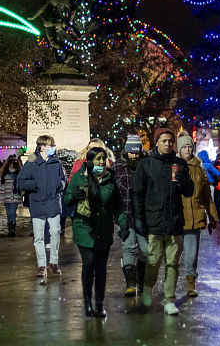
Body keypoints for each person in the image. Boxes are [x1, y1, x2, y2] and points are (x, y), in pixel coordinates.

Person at [131, 128, 194, 315]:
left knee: (172, 263)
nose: (167, 144)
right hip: (154, 222)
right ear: (156, 142)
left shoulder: (179, 164)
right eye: (164, 141)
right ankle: (148, 287)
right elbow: (137, 193)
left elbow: (188, 192)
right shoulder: (146, 165)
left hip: (174, 222)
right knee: (153, 261)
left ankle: (169, 299)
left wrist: (185, 181)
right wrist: (139, 219)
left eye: (170, 141)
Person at [65, 147, 128, 317]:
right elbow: (67, 200)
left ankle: (99, 303)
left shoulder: (110, 180)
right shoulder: (79, 177)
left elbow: (118, 207)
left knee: (101, 268)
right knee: (89, 262)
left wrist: (123, 226)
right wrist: (73, 196)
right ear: (89, 160)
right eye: (98, 159)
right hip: (84, 227)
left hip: (104, 230)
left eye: (103, 158)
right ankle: (87, 302)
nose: (101, 162)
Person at [176, 132, 218, 297]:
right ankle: (170, 286)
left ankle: (190, 283)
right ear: (179, 149)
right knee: (173, 255)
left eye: (189, 146)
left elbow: (207, 195)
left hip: (195, 216)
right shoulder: (174, 167)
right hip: (177, 218)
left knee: (191, 255)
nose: (187, 149)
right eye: (184, 147)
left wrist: (213, 216)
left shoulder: (200, 169)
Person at [18, 135, 66, 278]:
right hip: (37, 202)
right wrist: (35, 185)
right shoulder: (31, 163)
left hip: (53, 202)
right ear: (42, 146)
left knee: (55, 233)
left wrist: (60, 185)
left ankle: (54, 262)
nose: (54, 147)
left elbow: (63, 180)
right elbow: (21, 181)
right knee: (39, 236)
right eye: (51, 145)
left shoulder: (56, 163)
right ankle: (41, 265)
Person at [112, 134, 148, 297]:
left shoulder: (147, 165)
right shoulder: (117, 167)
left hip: (144, 217)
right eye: (131, 152)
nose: (134, 155)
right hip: (125, 215)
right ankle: (130, 283)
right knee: (128, 249)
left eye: (137, 152)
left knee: (146, 251)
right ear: (126, 151)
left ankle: (140, 279)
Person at [0, 158, 22, 237]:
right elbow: (1, 188)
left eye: (13, 166)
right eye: (10, 166)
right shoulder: (4, 176)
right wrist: (1, 199)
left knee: (12, 212)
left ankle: (12, 228)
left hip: (15, 197)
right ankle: (10, 227)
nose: (12, 167)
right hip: (7, 197)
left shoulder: (18, 176)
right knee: (8, 213)